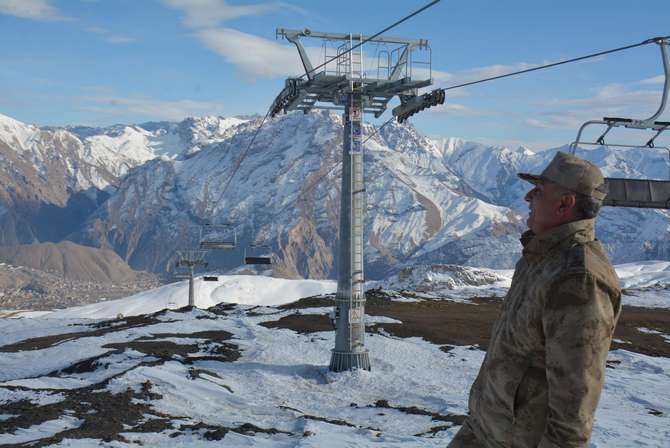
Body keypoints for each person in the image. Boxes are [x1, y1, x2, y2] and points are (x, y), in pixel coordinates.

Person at [448, 151, 622, 448]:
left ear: (564, 204)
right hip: (486, 428)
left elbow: (575, 397)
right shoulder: (540, 257)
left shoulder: (578, 277)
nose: (528, 197)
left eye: (539, 191)